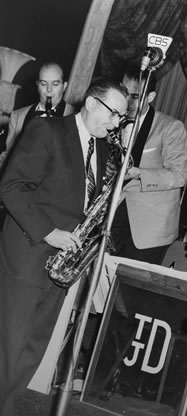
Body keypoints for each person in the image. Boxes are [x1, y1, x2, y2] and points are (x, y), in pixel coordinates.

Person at [0, 77, 128, 416]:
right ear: (90, 104)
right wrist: (50, 233)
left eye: (121, 118)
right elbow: (11, 187)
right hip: (28, 254)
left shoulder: (102, 147)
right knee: (9, 345)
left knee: (33, 347)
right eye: (114, 114)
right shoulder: (48, 131)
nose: (116, 124)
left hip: (61, 264)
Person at [110, 67, 187, 265]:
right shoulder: (112, 121)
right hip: (112, 216)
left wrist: (138, 174)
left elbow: (179, 175)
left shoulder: (170, 127)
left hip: (150, 227)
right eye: (124, 93)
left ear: (151, 96)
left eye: (135, 96)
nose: (127, 102)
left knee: (129, 292)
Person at [1, 61, 75, 167]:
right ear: (37, 85)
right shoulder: (17, 116)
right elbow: (8, 156)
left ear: (64, 86)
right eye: (43, 84)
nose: (49, 90)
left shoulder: (76, 116)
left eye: (55, 84)